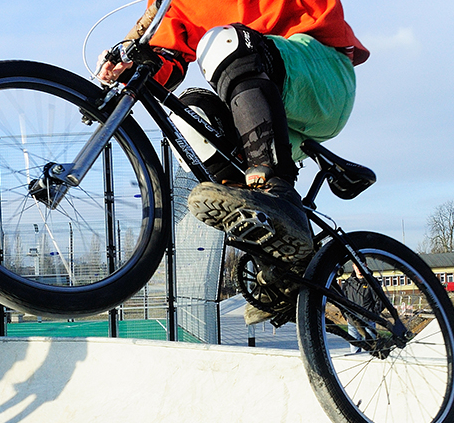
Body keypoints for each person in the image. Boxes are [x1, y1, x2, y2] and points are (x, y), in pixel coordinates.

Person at [99, 0, 367, 323]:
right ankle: (278, 264)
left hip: (321, 75)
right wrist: (126, 60)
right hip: (267, 116)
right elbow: (163, 63)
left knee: (226, 43)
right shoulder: (178, 7)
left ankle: (278, 192)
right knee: (191, 119)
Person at [341, 263, 384, 354]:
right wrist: (346, 317)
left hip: (368, 322)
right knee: (355, 351)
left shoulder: (372, 282)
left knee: (372, 350)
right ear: (353, 266)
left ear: (366, 265)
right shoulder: (348, 283)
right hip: (352, 322)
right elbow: (342, 301)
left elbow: (381, 301)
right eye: (356, 266)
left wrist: (373, 315)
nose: (359, 269)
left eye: (361, 266)